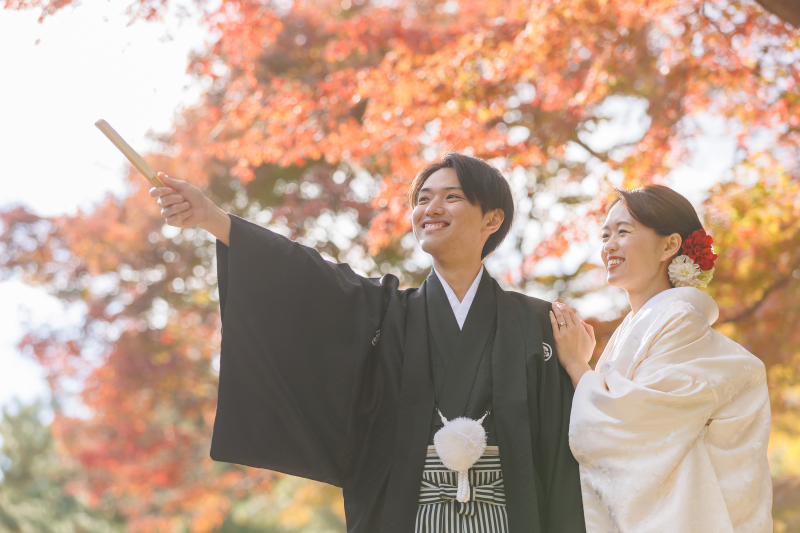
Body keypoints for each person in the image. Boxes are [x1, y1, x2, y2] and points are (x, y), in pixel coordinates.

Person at [149, 153, 586, 533]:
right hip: (408, 516)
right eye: (422, 198)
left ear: (492, 219)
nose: (431, 207)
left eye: (451, 196)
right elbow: (308, 278)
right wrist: (213, 220)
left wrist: (579, 367)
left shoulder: (539, 322)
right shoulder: (386, 313)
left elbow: (571, 445)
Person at [550, 184, 773, 532]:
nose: (609, 245)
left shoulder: (680, 319)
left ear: (669, 245)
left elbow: (636, 425)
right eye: (605, 234)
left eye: (623, 232)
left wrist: (578, 365)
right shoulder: (640, 324)